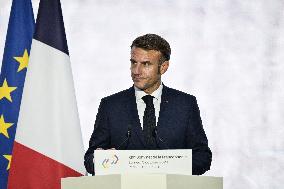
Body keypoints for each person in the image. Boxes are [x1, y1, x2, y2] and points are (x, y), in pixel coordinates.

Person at [84, 34, 212, 175]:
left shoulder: (185, 104)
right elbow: (90, 159)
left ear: (163, 67)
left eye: (145, 64)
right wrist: (102, 160)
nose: (136, 71)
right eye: (133, 62)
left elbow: (203, 157)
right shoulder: (110, 106)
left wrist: (171, 164)